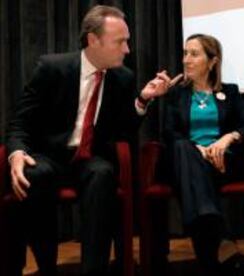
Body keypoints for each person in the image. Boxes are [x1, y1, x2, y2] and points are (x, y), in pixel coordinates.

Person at [5, 5, 181, 276]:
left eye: (128, 41)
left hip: (88, 159)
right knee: (34, 174)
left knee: (103, 173)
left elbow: (124, 131)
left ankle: (93, 269)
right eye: (120, 42)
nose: (127, 50)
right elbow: (20, 122)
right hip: (49, 156)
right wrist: (16, 152)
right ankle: (46, 266)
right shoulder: (52, 68)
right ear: (93, 40)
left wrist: (143, 99)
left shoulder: (123, 78)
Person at [163, 34, 244, 274]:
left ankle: (209, 260)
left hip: (221, 163)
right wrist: (198, 150)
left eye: (194, 54)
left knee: (196, 176)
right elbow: (170, 133)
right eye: (185, 53)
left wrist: (227, 138)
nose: (186, 60)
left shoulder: (230, 92)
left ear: (213, 61)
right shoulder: (176, 94)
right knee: (184, 148)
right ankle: (219, 233)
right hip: (185, 162)